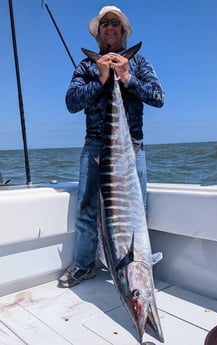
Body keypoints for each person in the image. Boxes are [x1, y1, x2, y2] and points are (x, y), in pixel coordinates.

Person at [58, 5, 164, 288]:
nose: (109, 27)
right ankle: (83, 264)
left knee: (135, 210)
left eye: (114, 23)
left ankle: (140, 268)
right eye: (104, 24)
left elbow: (158, 97)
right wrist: (103, 78)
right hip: (95, 147)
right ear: (100, 32)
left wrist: (127, 77)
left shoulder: (138, 63)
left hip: (131, 148)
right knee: (86, 208)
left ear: (123, 30)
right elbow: (71, 103)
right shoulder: (86, 67)